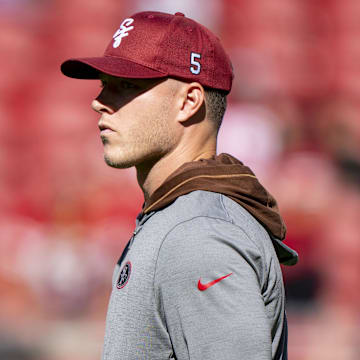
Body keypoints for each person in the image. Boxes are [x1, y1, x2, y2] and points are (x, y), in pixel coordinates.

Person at [61, 10, 298, 360]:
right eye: (103, 84)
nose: (99, 102)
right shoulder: (180, 218)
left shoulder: (199, 233)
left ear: (189, 102)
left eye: (127, 86)